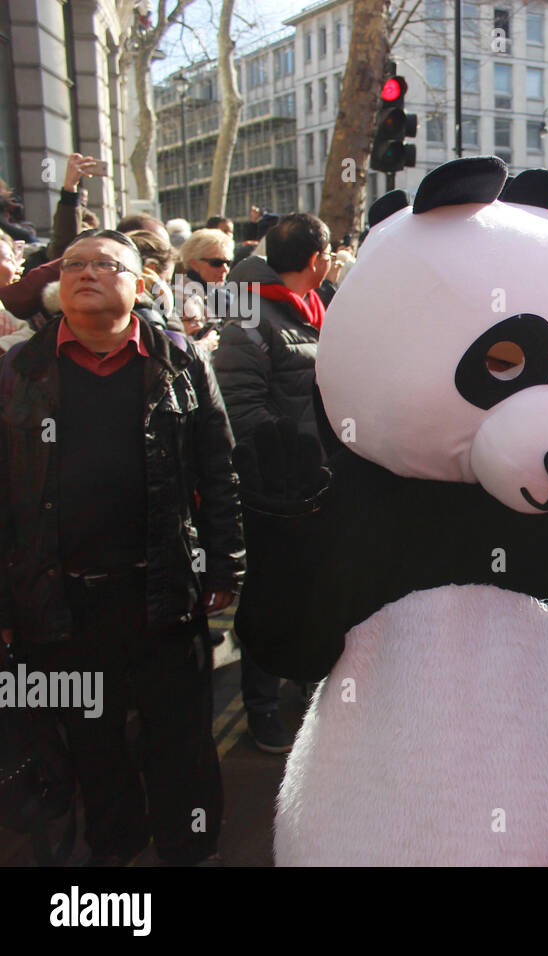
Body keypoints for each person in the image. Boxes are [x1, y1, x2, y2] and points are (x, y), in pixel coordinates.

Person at [0, 228, 244, 864]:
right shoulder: (16, 371)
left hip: (162, 589)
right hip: (57, 599)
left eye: (105, 265)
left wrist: (225, 563)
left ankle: (190, 847)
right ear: (57, 285)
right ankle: (116, 849)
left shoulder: (178, 359)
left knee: (181, 738)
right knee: (92, 741)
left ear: (140, 286)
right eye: (75, 263)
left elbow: (218, 468)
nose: (86, 273)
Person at [213, 212, 330, 753]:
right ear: (316, 260)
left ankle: (306, 687)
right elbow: (240, 406)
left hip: (313, 487)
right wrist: (290, 464)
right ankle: (260, 708)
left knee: (310, 592)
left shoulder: (307, 309)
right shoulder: (251, 316)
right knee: (269, 595)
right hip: (273, 493)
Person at [178, 228, 234, 348]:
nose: (225, 269)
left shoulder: (226, 296)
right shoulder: (179, 297)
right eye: (216, 263)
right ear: (194, 264)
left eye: (228, 263)